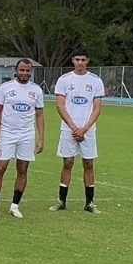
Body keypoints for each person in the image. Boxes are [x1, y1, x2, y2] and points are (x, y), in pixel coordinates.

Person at [0, 58, 45, 218]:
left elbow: (39, 115)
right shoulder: (6, 87)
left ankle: (15, 206)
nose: (24, 73)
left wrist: (41, 138)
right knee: (0, 168)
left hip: (27, 134)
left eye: (27, 70)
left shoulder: (36, 90)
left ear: (30, 72)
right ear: (16, 70)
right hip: (7, 133)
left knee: (23, 169)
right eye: (22, 70)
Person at [51, 49, 105, 213]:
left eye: (83, 59)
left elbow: (97, 108)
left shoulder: (95, 81)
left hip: (88, 130)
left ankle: (89, 203)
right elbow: (60, 106)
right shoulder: (64, 80)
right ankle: (61, 201)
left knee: (88, 164)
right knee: (67, 163)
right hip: (69, 129)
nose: (80, 62)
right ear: (73, 60)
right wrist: (74, 128)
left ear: (87, 60)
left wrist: (85, 128)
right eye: (77, 59)